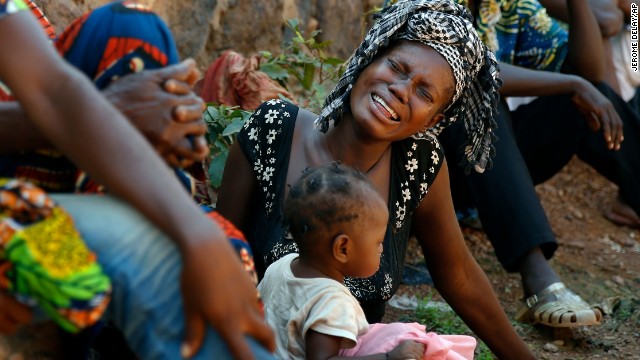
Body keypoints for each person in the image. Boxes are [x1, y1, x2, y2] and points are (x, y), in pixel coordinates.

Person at [217, 1, 535, 358]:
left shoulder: (418, 164)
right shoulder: (274, 129)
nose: (401, 89)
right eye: (397, 67)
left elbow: (458, 274)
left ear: (432, 121)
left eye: (424, 92)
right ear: (370, 55)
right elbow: (218, 252)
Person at [0, 1, 275, 359]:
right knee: (186, 272)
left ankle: (136, 222)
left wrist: (195, 232)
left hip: (30, 191)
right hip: (15, 215)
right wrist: (113, 110)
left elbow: (52, 89)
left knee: (127, 26)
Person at [437, 0, 639, 329]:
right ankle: (538, 278)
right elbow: (464, 68)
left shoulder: (508, 6)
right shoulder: (428, 5)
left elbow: (588, 72)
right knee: (480, 91)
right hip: (430, 164)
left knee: (583, 93)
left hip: (491, 166)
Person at [258, 162, 476, 360]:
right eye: (378, 242)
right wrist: (388, 357)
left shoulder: (282, 266)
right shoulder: (332, 302)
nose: (381, 248)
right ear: (343, 248)